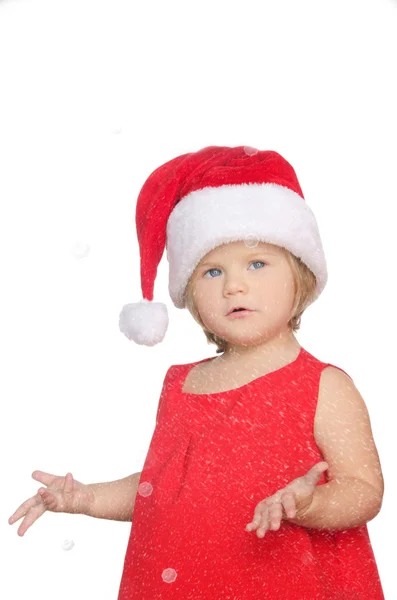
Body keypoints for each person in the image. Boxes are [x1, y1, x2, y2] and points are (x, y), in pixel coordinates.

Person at [9, 146, 385, 599]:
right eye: (211, 271)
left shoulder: (324, 384)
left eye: (257, 263)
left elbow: (364, 490)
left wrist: (312, 504)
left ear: (301, 274)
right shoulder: (180, 384)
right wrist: (86, 498)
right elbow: (160, 488)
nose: (233, 285)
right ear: (190, 294)